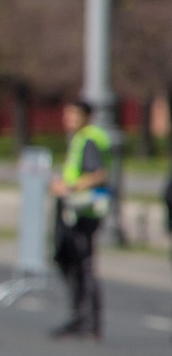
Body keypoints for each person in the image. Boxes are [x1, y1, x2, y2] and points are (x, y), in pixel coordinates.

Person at [52, 97, 114, 339]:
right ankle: (83, 317)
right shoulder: (83, 138)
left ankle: (87, 318)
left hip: (83, 211)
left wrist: (68, 188)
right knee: (72, 261)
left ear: (85, 116)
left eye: (73, 115)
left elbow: (98, 174)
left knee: (82, 264)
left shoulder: (89, 139)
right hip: (80, 209)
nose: (68, 120)